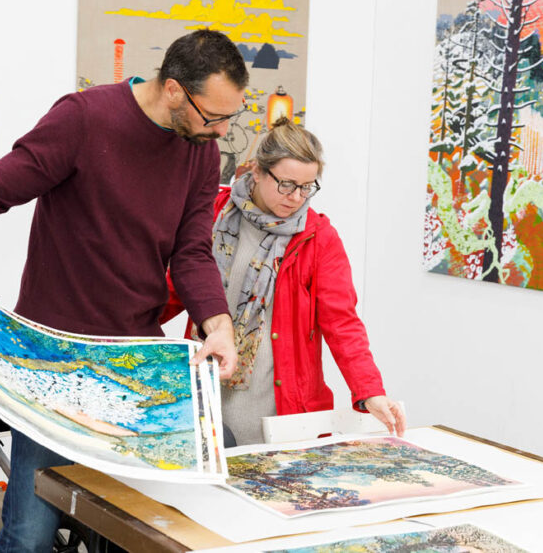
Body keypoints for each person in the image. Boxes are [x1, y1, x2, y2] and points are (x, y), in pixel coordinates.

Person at [0, 29, 247, 552]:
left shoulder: (199, 149)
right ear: (174, 90)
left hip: (135, 358)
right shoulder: (84, 118)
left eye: (228, 118)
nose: (221, 129)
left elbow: (191, 251)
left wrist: (218, 324)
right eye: (213, 115)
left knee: (132, 531)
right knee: (31, 533)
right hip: (50, 362)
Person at [163, 117, 406, 445]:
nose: (296, 197)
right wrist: (111, 334)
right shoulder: (213, 215)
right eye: (286, 184)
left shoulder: (319, 239)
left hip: (280, 411)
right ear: (258, 171)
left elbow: (343, 324)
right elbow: (175, 288)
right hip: (202, 393)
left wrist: (370, 392)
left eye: (307, 186)